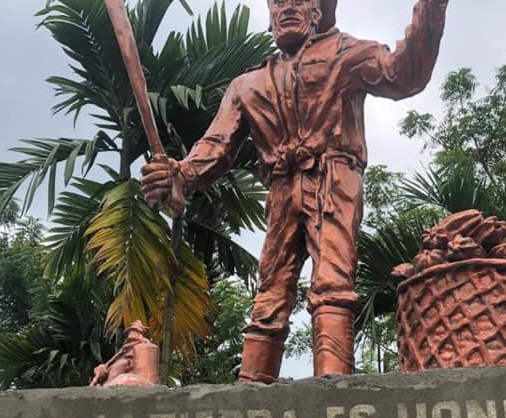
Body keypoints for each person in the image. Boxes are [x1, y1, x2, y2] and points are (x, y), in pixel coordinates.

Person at [141, 0, 449, 383]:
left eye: (298, 0)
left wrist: (430, 9)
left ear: (317, 8)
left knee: (333, 281)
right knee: (271, 290)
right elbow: (215, 148)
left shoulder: (347, 54)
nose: (287, 7)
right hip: (281, 188)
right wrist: (179, 175)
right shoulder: (247, 85)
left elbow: (405, 75)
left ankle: (333, 387)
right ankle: (252, 387)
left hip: (334, 179)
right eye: (278, 1)